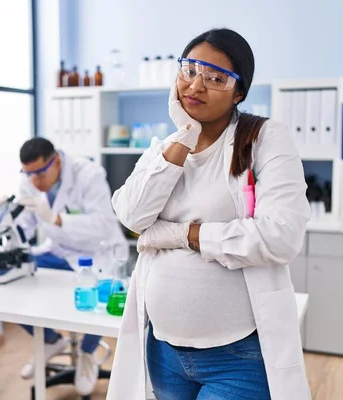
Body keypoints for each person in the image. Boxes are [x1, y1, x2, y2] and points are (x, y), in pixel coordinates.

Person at [107, 28, 311, 400]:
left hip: (237, 356)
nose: (196, 86)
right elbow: (133, 216)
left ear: (239, 92)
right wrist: (184, 135)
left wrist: (183, 234)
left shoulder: (263, 139)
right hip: (163, 351)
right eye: (189, 71)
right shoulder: (164, 149)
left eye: (215, 78)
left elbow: (280, 236)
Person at [0, 137, 128, 396]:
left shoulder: (89, 174)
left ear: (55, 161)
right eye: (28, 174)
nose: (34, 181)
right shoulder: (30, 179)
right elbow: (27, 227)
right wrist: (6, 221)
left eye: (39, 173)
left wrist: (55, 218)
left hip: (98, 252)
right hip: (59, 251)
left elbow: (103, 224)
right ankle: (50, 341)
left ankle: (88, 354)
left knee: (98, 302)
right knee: (12, 280)